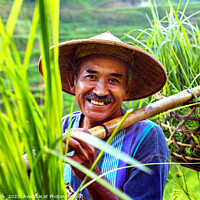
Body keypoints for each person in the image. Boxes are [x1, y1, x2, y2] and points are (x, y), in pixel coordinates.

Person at [39, 31, 170, 200]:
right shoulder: (62, 127)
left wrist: (91, 175)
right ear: (73, 82)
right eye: (91, 77)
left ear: (127, 89)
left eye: (114, 80)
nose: (100, 91)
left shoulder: (146, 137)